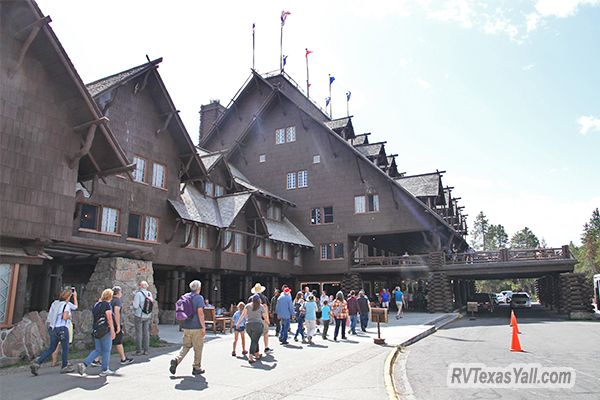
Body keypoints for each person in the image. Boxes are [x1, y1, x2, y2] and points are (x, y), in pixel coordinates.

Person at [31, 288, 78, 375]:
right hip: (62, 328)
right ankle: (64, 366)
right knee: (65, 348)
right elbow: (64, 317)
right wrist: (69, 317)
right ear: (69, 296)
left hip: (53, 328)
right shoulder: (66, 305)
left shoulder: (55, 303)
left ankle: (37, 362)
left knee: (52, 348)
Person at [90, 286, 133, 367]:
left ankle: (96, 360)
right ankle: (122, 359)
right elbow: (116, 313)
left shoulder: (107, 301)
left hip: (103, 325)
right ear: (118, 293)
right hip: (112, 324)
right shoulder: (117, 301)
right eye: (121, 292)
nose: (121, 294)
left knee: (103, 343)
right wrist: (118, 326)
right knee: (118, 341)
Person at [169, 280, 206, 375]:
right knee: (198, 348)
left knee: (186, 346)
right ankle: (196, 367)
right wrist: (203, 327)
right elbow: (200, 313)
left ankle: (176, 359)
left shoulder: (186, 296)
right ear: (199, 288)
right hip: (196, 327)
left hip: (186, 326)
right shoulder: (199, 298)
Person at [77, 289, 116, 376]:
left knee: (98, 350)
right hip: (105, 329)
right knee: (106, 350)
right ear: (110, 296)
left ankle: (84, 364)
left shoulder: (96, 305)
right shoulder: (107, 305)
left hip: (96, 329)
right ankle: (105, 369)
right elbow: (109, 317)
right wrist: (112, 329)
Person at [236, 294, 268, 364]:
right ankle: (250, 356)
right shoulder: (261, 306)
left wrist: (238, 323)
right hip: (258, 325)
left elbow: (243, 315)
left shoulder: (247, 306)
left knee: (254, 340)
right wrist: (267, 321)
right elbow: (264, 316)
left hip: (248, 325)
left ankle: (257, 354)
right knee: (254, 340)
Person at [248, 282, 271, 353]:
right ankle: (266, 347)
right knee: (265, 333)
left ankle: (255, 350)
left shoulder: (250, 298)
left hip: (253, 319)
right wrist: (267, 319)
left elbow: (248, 308)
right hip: (262, 318)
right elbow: (266, 308)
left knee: (254, 336)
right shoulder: (264, 298)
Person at [133, 281, 153, 355]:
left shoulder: (138, 294)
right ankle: (146, 350)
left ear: (140, 286)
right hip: (147, 315)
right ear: (147, 286)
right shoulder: (149, 293)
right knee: (146, 333)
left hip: (139, 315)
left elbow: (135, 306)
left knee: (139, 333)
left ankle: (138, 351)